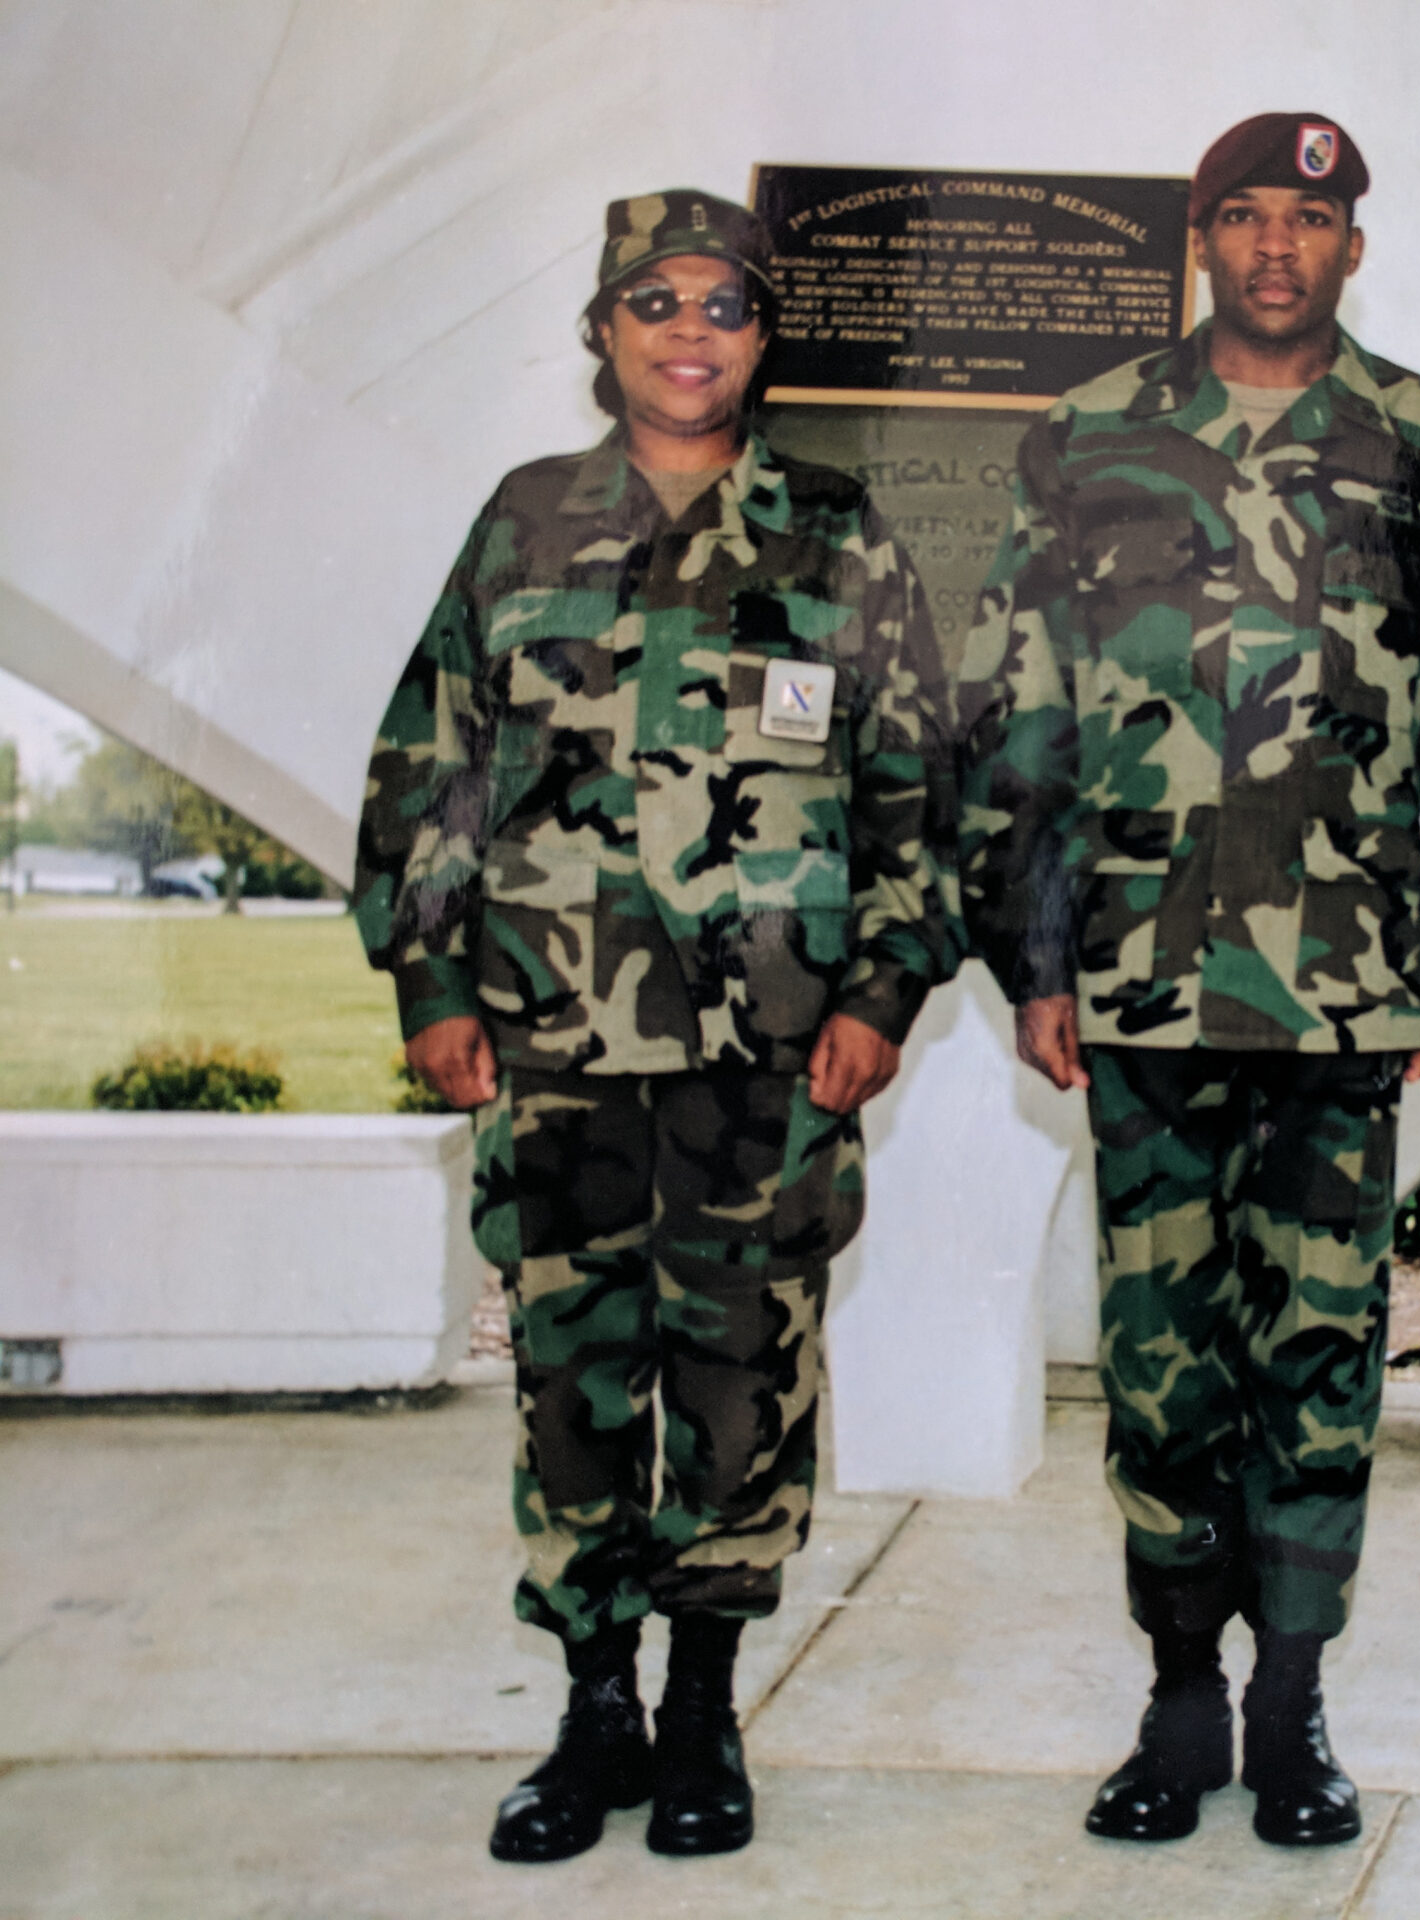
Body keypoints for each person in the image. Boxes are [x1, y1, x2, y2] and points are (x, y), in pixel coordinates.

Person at [957, 112, 1420, 1849]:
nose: (1278, 245)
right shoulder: (1086, 439)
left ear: (1354, 246)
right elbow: (1022, 712)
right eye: (1246, 216)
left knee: (1318, 1354)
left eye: (1311, 217)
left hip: (1349, 989)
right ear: (1200, 240)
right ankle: (1177, 1704)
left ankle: (1291, 1711)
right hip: (1143, 984)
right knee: (1159, 1363)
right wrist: (1035, 957)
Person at [355, 189, 956, 1864]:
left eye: (726, 306)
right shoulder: (524, 524)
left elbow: (919, 794)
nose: (692, 333)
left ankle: (703, 1711)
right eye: (656, 302)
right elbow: (432, 767)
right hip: (552, 1048)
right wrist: (431, 984)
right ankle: (590, 1712)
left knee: (743, 1380)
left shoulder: (840, 537)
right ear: (603, 331)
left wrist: (881, 997)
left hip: (761, 1062)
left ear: (765, 340)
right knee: (571, 1383)